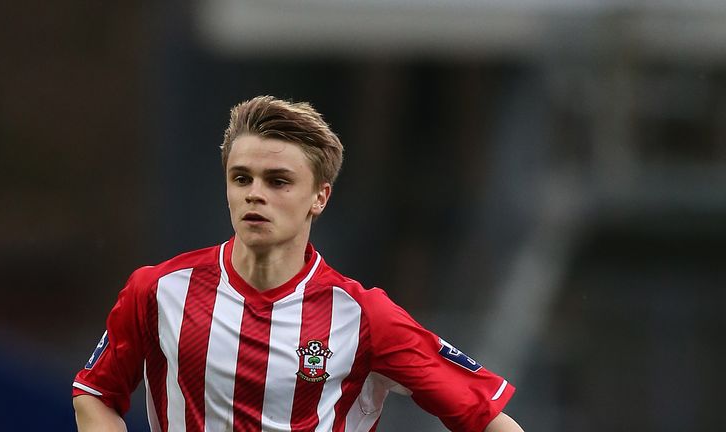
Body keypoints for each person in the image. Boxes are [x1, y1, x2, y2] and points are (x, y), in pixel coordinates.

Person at [72, 95, 524, 432]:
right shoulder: (158, 290)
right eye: (241, 178)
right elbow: (94, 394)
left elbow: (489, 419)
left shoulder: (365, 317)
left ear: (319, 197)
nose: (255, 193)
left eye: (278, 181)